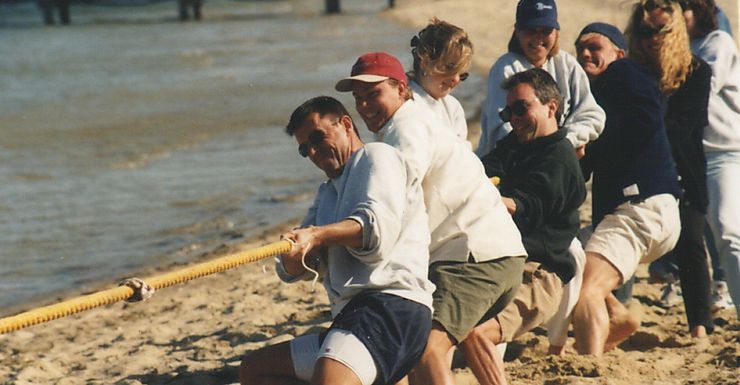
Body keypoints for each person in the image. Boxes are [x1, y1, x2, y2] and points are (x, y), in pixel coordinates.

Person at [335, 52, 527, 385]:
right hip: (493, 253)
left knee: (424, 349)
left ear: (400, 88)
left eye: (374, 94)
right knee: (427, 343)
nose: (364, 106)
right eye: (359, 99)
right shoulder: (407, 125)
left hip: (473, 257)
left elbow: (395, 200)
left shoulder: (406, 128)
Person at [239, 96, 436, 385]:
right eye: (305, 149)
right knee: (257, 369)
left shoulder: (376, 156)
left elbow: (374, 231)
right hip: (352, 319)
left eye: (318, 138)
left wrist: (316, 235)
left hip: (391, 309)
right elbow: (303, 265)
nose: (315, 151)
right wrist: (294, 261)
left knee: (331, 375)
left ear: (345, 124)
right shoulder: (327, 192)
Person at [461, 68, 586, 385]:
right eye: (507, 111)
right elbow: (478, 171)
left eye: (521, 108)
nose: (513, 119)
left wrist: (481, 194)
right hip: (495, 266)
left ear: (551, 106)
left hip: (538, 274)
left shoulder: (559, 157)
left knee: (476, 336)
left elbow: (525, 206)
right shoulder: (514, 145)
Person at [571, 21, 683, 355]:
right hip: (650, 211)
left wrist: (590, 142)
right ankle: (618, 315)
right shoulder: (603, 94)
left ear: (618, 53)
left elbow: (647, 118)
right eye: (580, 49)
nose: (585, 54)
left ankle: (589, 367)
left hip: (640, 207)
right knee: (570, 255)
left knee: (587, 290)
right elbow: (585, 167)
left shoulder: (622, 73)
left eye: (594, 47)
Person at [627, 0, 713, 337]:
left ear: (675, 29)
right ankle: (615, 316)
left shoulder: (696, 71)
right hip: (638, 167)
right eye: (645, 31)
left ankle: (700, 327)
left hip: (684, 168)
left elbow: (682, 128)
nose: (653, 38)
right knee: (625, 243)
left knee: (692, 243)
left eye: (660, 30)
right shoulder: (631, 72)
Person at [477, 0, 605, 157]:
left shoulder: (567, 64)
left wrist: (566, 142)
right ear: (517, 31)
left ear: (556, 32)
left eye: (546, 31)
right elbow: (501, 130)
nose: (538, 38)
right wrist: (547, 150)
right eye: (530, 30)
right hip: (512, 163)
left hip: (556, 157)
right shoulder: (505, 68)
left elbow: (591, 115)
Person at [682, 0, 740, 317]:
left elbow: (702, 88)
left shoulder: (718, 43)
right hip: (688, 156)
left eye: (684, 9)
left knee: (729, 236)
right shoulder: (674, 45)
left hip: (724, 153)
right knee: (692, 240)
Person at [408, 18, 472, 141]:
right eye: (449, 68)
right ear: (425, 60)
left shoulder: (453, 107)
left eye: (461, 74)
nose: (456, 79)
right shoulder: (404, 103)